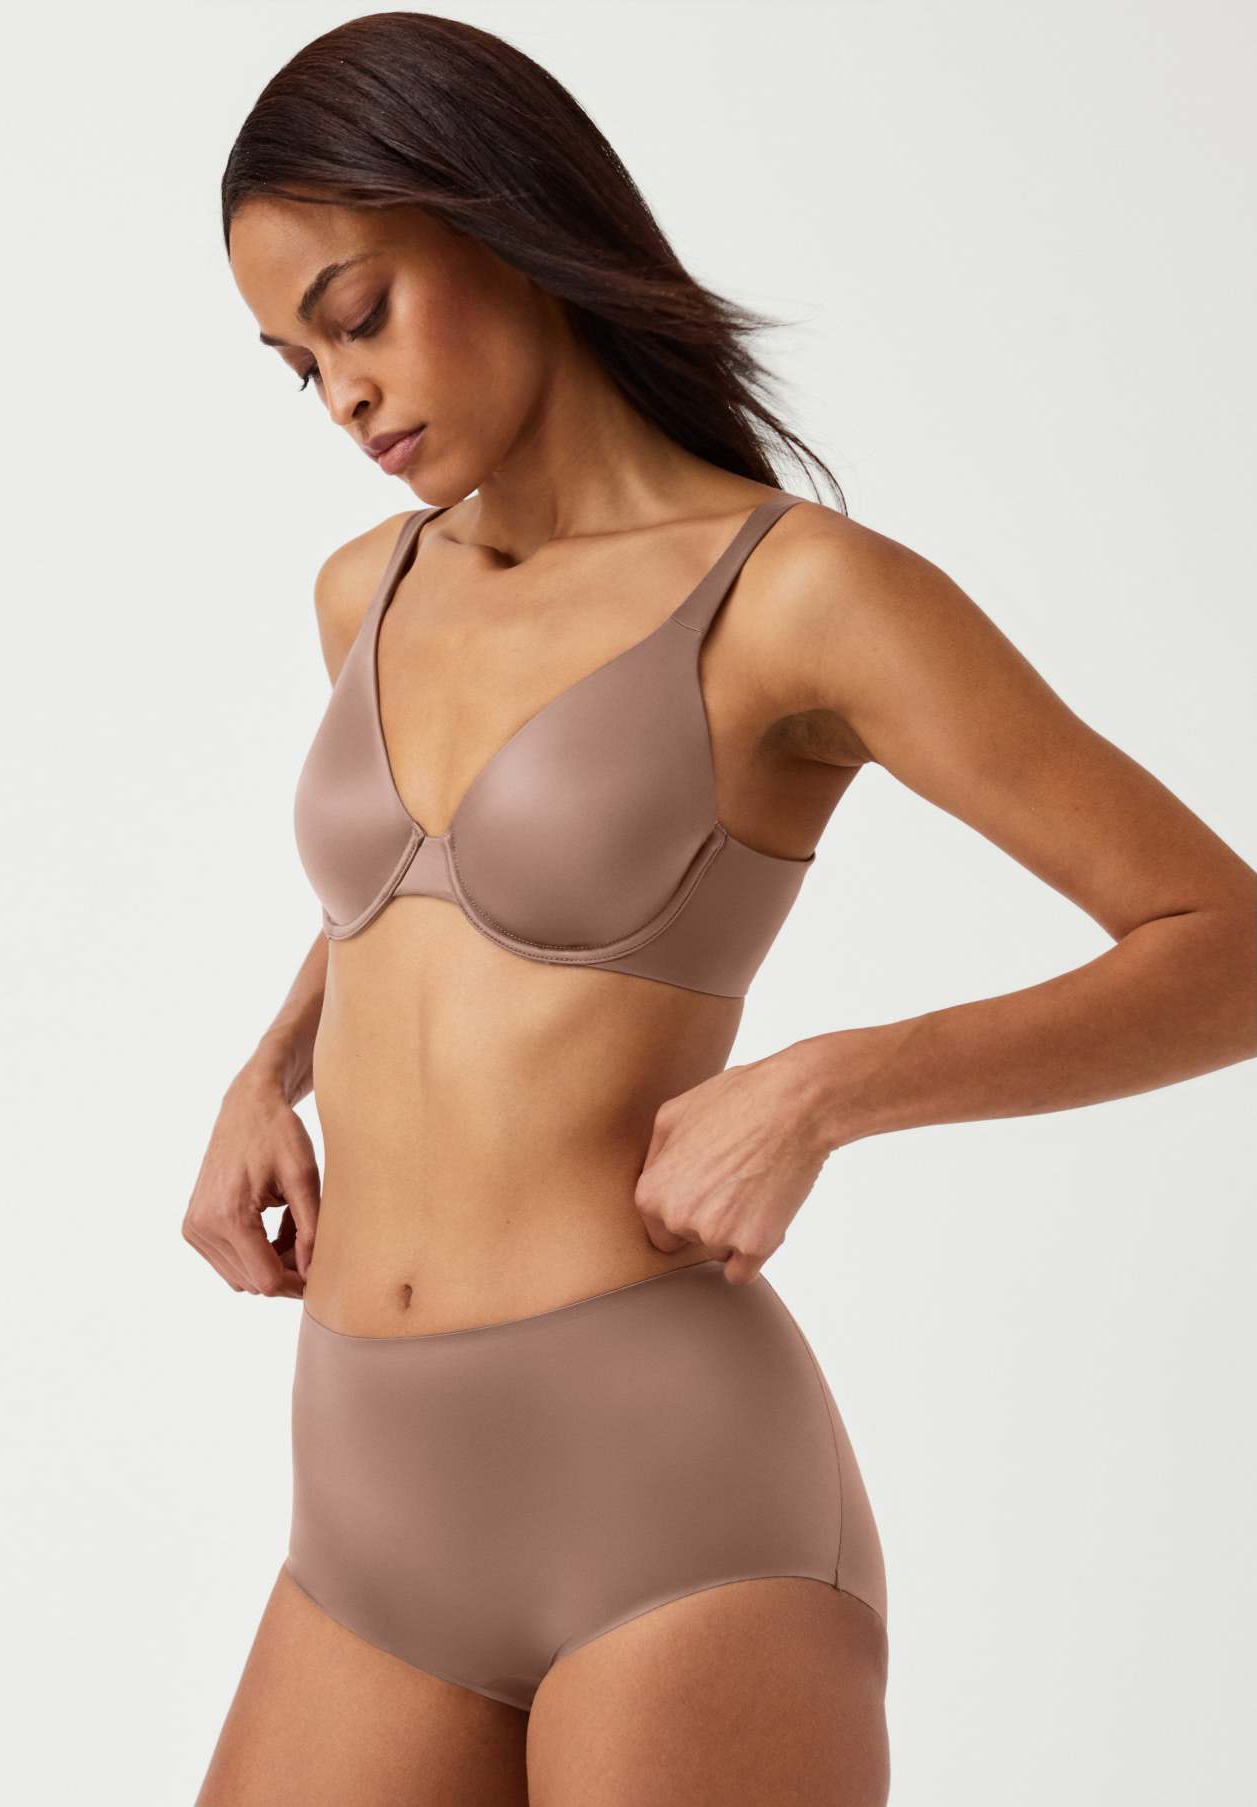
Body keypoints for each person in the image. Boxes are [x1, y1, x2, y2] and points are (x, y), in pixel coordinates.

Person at [186, 16, 1256, 1806]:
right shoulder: (365, 590)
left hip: (664, 1506)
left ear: (504, 219)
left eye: (357, 314)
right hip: (364, 1496)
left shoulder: (797, 597)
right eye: (300, 367)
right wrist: (264, 1068)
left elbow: (1221, 945)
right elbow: (425, 896)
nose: (345, 394)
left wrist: (825, 1088)